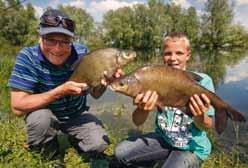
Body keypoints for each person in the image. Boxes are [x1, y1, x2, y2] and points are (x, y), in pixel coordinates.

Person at [8, 9, 121, 163]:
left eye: (65, 41)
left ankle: (72, 138)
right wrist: (59, 91)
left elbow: (95, 94)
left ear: (72, 41)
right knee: (41, 119)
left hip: (75, 115)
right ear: (39, 36)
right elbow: (17, 107)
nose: (57, 48)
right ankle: (50, 153)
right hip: (44, 116)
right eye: (50, 40)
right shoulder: (27, 57)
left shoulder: (83, 54)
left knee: (99, 144)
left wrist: (104, 83)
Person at [110, 32, 215, 168]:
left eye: (179, 53)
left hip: (192, 147)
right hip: (163, 139)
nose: (173, 58)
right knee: (120, 153)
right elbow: (137, 121)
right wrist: (142, 109)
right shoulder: (154, 79)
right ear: (162, 55)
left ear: (188, 55)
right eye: (168, 53)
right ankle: (157, 159)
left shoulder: (202, 81)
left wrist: (200, 114)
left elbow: (206, 126)